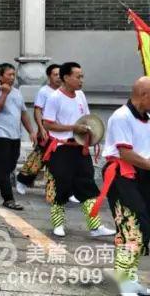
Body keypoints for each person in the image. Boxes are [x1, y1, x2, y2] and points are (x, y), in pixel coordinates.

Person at [91, 77, 150, 294]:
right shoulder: (121, 116)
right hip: (123, 175)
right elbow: (126, 153)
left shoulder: (147, 117)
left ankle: (131, 278)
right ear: (144, 95)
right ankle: (124, 281)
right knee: (129, 227)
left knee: (143, 227)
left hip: (143, 176)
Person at [42, 62, 115, 238]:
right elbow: (47, 123)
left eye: (82, 76)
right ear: (66, 78)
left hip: (80, 148)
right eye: (78, 76)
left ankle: (95, 226)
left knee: (87, 185)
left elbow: (87, 119)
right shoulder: (55, 98)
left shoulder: (81, 95)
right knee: (61, 186)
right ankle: (58, 225)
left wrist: (91, 134)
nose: (81, 80)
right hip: (62, 148)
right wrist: (74, 127)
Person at [0, 63, 36, 211]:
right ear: (0, 77)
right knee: (4, 168)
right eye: (9, 75)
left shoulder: (17, 92)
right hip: (0, 135)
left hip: (15, 135)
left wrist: (31, 131)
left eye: (13, 75)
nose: (12, 78)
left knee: (9, 166)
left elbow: (23, 113)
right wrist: (4, 94)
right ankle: (8, 199)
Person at [16, 64, 64, 195]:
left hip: (62, 132)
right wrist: (41, 128)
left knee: (61, 162)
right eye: (55, 75)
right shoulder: (44, 91)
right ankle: (22, 180)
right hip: (47, 131)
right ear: (49, 76)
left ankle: (60, 190)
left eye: (60, 74)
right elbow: (37, 110)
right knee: (38, 158)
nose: (58, 77)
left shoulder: (66, 91)